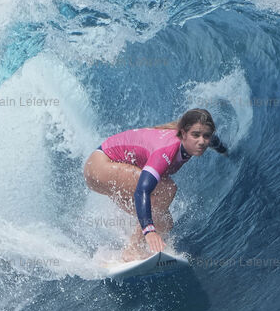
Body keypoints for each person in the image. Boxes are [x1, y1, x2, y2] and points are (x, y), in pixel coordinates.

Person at [83, 108, 228, 261]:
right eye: (196, 135)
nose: (202, 141)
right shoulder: (166, 151)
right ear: (183, 134)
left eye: (206, 136)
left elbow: (212, 140)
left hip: (105, 169)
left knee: (164, 223)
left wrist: (225, 151)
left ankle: (143, 246)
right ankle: (133, 248)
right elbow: (142, 192)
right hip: (100, 166)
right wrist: (148, 230)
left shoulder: (198, 139)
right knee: (166, 190)